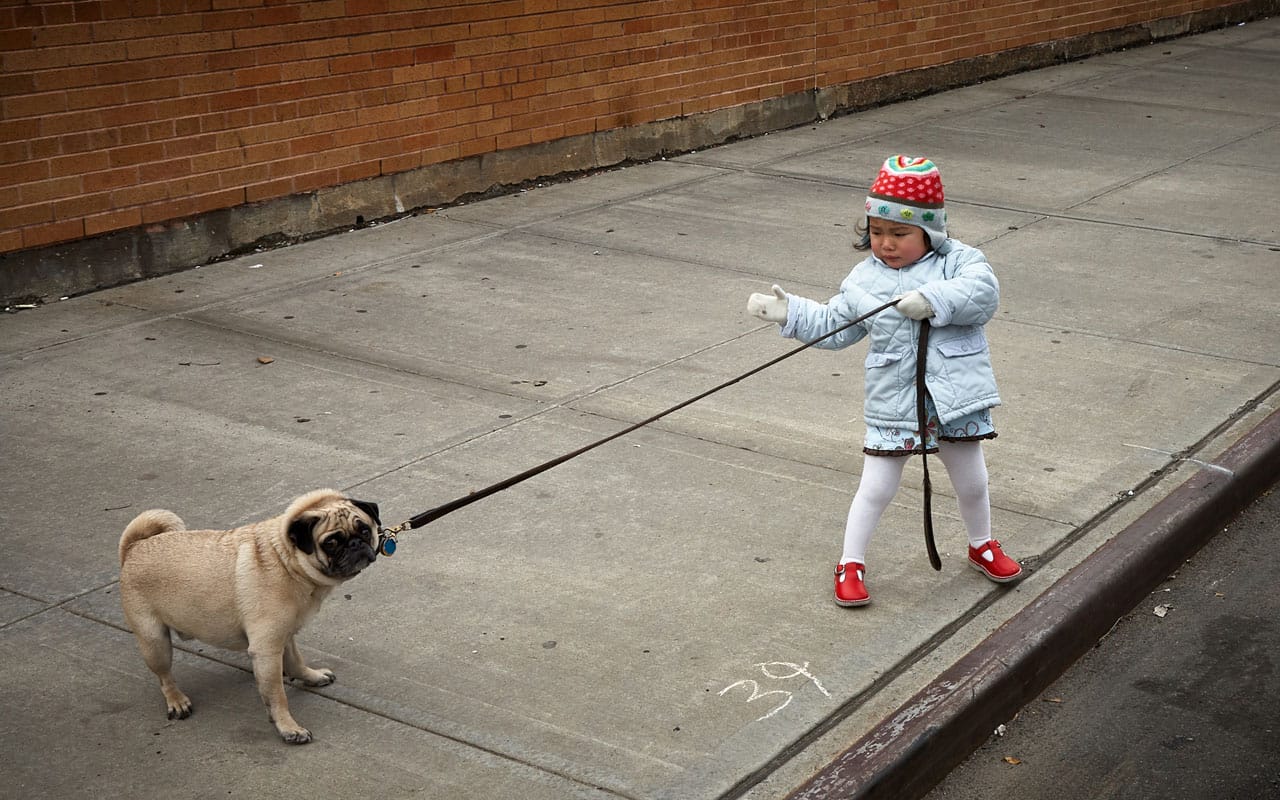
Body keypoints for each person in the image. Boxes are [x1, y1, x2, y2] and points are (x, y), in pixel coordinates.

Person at [746, 155, 1022, 607]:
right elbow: (837, 324)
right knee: (877, 487)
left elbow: (983, 294)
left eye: (899, 234)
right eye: (877, 232)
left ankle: (982, 544)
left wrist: (932, 298)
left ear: (930, 232)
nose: (886, 244)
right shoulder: (863, 280)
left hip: (955, 398)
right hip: (894, 401)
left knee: (972, 481)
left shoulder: (959, 262)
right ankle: (850, 562)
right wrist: (791, 313)